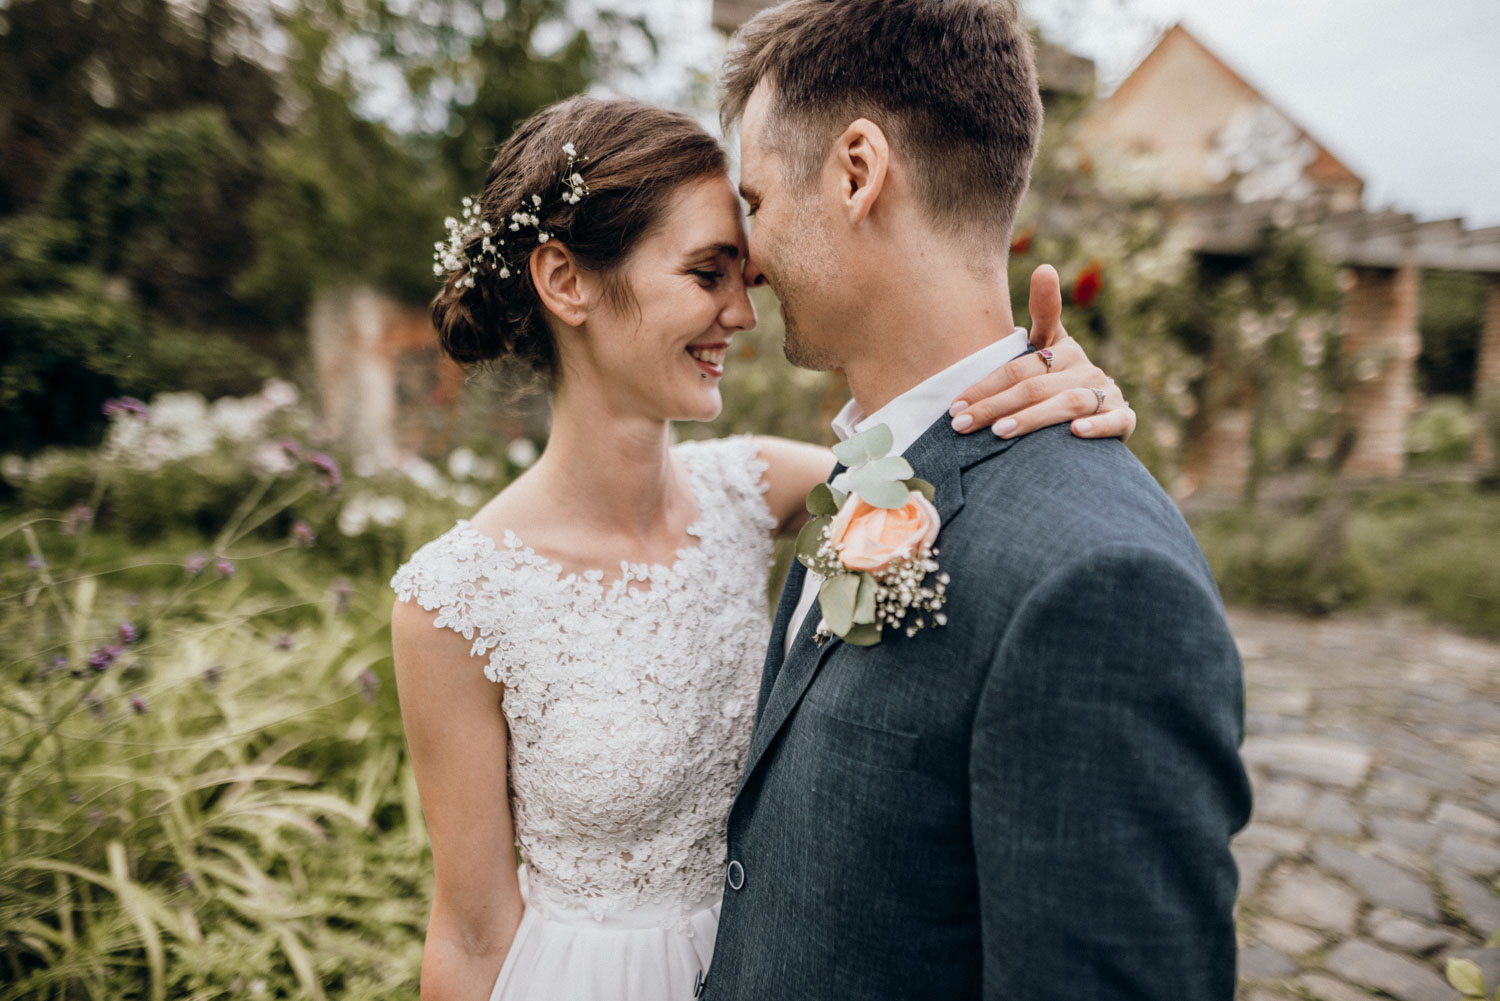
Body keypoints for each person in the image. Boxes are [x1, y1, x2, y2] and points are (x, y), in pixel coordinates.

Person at [389, 95, 1133, 1001]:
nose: (743, 315)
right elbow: (468, 936)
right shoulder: (454, 600)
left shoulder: (756, 490)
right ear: (565, 280)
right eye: (708, 273)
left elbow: (947, 466)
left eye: (745, 275)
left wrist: (1062, 390)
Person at [701, 2, 1252, 1000]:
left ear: (857, 172)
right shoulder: (872, 465)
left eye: (757, 199)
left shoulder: (1096, 583)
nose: (749, 256)